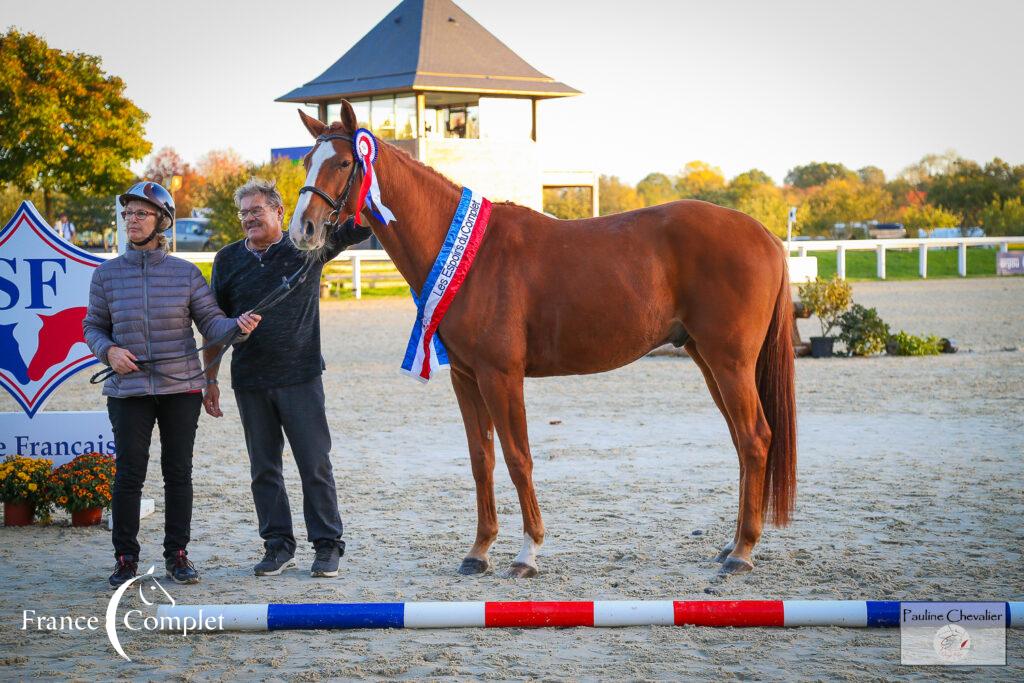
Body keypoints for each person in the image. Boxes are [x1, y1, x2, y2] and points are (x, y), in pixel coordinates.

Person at [83, 181, 261, 588]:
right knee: (129, 474)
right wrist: (108, 351)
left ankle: (177, 555)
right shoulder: (106, 275)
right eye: (128, 213)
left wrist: (238, 327)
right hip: (128, 391)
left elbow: (212, 324)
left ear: (161, 220)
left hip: (180, 388)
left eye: (141, 214)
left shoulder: (185, 274)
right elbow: (93, 325)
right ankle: (125, 558)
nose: (132, 220)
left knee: (178, 472)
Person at [202, 178, 370, 578]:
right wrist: (210, 378)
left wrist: (366, 184)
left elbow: (360, 224)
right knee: (264, 469)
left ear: (279, 212)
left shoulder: (307, 245)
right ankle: (277, 545)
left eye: (256, 211)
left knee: (314, 464)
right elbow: (212, 325)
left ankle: (327, 544)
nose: (248, 219)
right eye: (243, 213)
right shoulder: (226, 260)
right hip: (250, 379)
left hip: (301, 376)